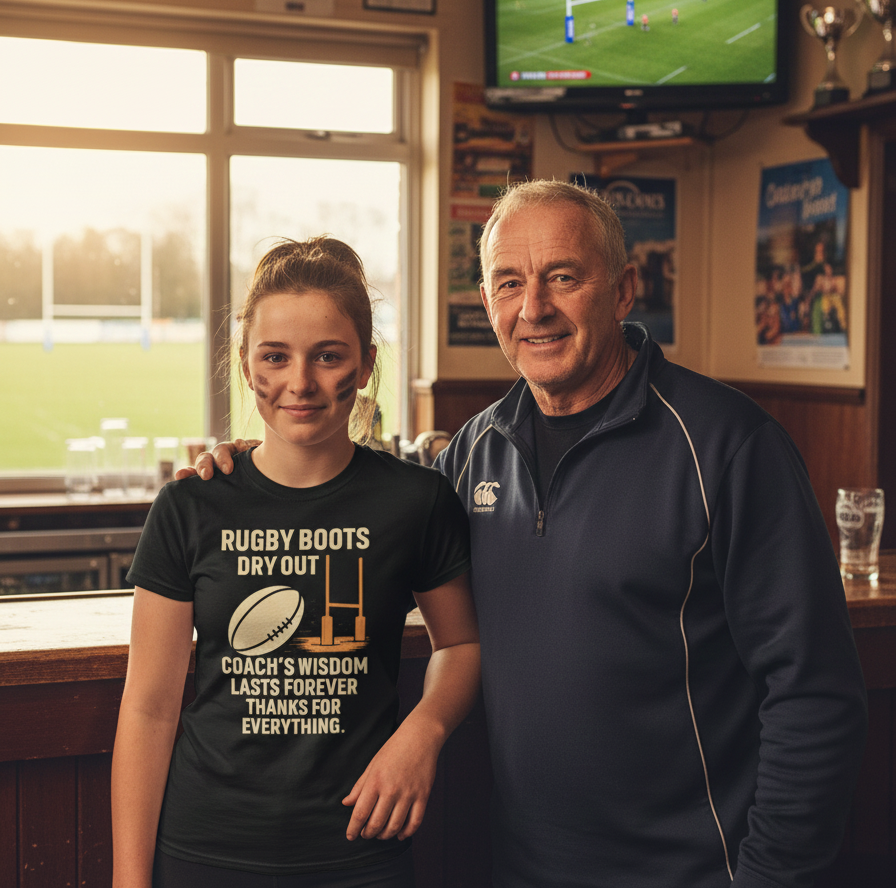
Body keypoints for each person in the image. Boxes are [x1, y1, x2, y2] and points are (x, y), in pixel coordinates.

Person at [190, 183, 867, 888]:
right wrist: (252, 471)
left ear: (624, 290)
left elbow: (815, 693)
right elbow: (353, 533)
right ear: (488, 302)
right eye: (509, 283)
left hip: (696, 872)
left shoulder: (728, 445)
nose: (534, 308)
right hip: (520, 868)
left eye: (563, 278)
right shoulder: (472, 454)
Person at [113, 236, 480, 888]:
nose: (300, 383)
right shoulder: (189, 506)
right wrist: (129, 881)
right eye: (275, 356)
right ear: (247, 365)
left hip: (361, 848)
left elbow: (461, 644)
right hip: (205, 850)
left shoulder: (417, 501)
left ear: (365, 365)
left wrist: (422, 732)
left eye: (328, 356)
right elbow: (148, 709)